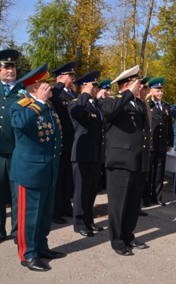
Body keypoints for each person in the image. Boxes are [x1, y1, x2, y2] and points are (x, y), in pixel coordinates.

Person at [10, 63, 66, 272]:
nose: (50, 87)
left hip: (48, 168)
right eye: (46, 84)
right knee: (29, 216)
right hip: (29, 172)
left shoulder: (48, 106)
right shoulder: (21, 105)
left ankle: (41, 247)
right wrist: (39, 103)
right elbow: (20, 124)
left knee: (44, 213)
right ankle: (28, 254)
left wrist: (43, 102)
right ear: (35, 87)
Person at [98, 65, 150, 256]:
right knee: (118, 204)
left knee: (132, 203)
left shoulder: (138, 104)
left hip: (137, 160)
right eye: (138, 83)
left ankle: (128, 235)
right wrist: (127, 92)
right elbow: (110, 110)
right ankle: (117, 240)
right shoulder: (110, 101)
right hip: (120, 161)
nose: (142, 87)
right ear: (128, 84)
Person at [0, 49, 23, 248]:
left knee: (17, 193)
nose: (10, 70)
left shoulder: (23, 89)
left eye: (12, 66)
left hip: (16, 149)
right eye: (5, 66)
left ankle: (17, 231)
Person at [68, 71, 106, 237]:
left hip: (96, 154)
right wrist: (83, 93)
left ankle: (89, 221)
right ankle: (79, 222)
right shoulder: (76, 103)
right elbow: (76, 113)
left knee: (91, 191)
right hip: (82, 154)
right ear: (86, 87)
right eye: (94, 86)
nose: (97, 89)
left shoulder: (96, 105)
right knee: (81, 191)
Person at [50, 61, 77, 224]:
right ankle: (56, 211)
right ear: (61, 77)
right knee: (59, 179)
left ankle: (67, 207)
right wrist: (59, 83)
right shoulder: (56, 92)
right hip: (60, 141)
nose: (73, 78)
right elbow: (51, 96)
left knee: (68, 178)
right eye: (70, 75)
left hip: (71, 141)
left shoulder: (73, 94)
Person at [143, 77, 174, 207]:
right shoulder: (147, 105)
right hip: (150, 144)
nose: (160, 93)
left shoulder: (166, 106)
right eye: (157, 90)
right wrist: (147, 98)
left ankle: (158, 197)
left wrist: (170, 143)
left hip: (161, 145)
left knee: (159, 172)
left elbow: (169, 127)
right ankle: (146, 198)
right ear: (151, 91)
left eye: (161, 91)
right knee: (148, 173)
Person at [137, 76, 152, 216]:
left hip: (145, 146)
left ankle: (137, 207)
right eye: (144, 87)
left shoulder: (145, 103)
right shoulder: (135, 103)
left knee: (142, 179)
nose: (146, 90)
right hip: (136, 147)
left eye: (147, 88)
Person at [97, 79, 112, 191]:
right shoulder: (97, 102)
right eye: (106, 90)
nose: (108, 92)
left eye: (109, 90)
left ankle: (104, 183)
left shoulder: (110, 102)